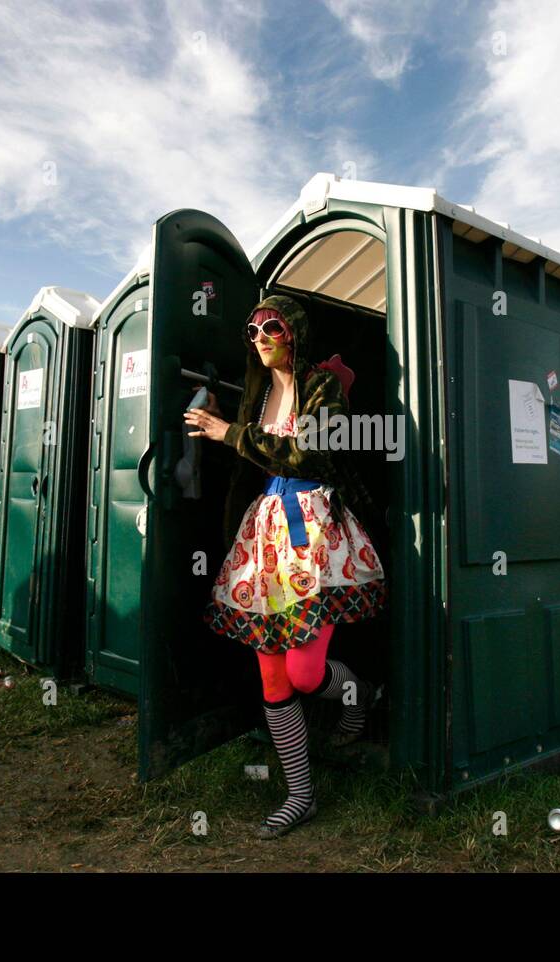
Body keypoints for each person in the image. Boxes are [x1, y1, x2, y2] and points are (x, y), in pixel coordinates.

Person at [184, 294, 387, 839]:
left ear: (293, 331)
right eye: (251, 330)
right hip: (266, 535)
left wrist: (230, 433)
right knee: (271, 673)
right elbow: (256, 464)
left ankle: (359, 695)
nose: (260, 337)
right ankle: (301, 794)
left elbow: (312, 455)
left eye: (270, 326)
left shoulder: (324, 384)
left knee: (302, 671)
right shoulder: (254, 393)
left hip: (315, 530)